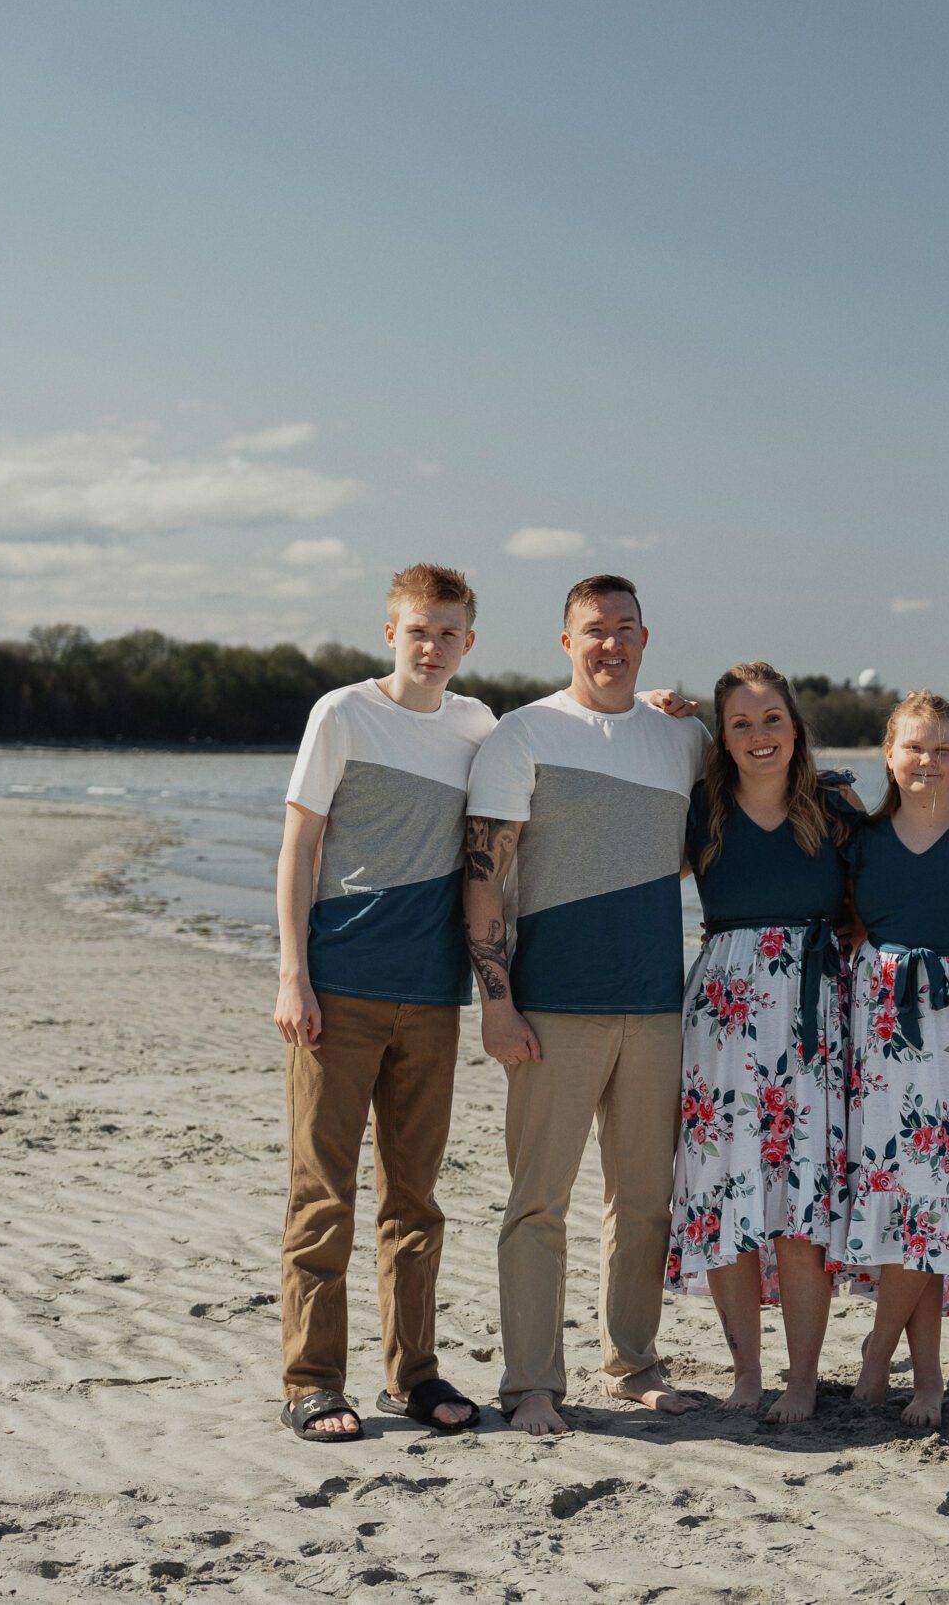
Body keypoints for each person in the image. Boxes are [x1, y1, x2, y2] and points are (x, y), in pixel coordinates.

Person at [462, 573, 712, 1436]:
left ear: (646, 638)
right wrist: (496, 1002)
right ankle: (532, 1381)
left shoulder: (685, 741)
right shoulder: (520, 734)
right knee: (539, 1199)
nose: (610, 642)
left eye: (625, 629)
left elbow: (731, 820)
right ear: (566, 641)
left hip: (654, 1006)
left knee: (644, 1200)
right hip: (552, 1008)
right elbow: (484, 877)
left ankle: (633, 1362)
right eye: (593, 630)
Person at [272, 563, 492, 1442]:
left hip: (432, 997)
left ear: (469, 642)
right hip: (341, 988)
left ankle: (415, 1373)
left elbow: (564, 746)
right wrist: (293, 972)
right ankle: (313, 1379)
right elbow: (299, 844)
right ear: (390, 633)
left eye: (448, 632)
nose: (431, 646)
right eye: (417, 630)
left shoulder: (479, 726)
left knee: (416, 1200)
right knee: (323, 1194)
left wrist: (658, 706)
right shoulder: (342, 713)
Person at [664, 662, 863, 1424]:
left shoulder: (834, 805)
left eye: (772, 718)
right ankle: (746, 1370)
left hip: (815, 1016)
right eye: (741, 723)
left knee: (802, 1203)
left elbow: (888, 894)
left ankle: (804, 1377)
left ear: (795, 725)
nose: (759, 735)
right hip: (722, 1014)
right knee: (727, 1194)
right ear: (722, 736)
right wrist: (663, 712)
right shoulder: (702, 809)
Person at [833, 692, 949, 1426]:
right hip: (883, 1027)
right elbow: (847, 922)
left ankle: (886, 1350)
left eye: (944, 749)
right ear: (889, 752)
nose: (929, 761)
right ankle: (927, 1375)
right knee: (907, 1199)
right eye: (915, 747)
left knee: (943, 1198)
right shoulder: (862, 835)